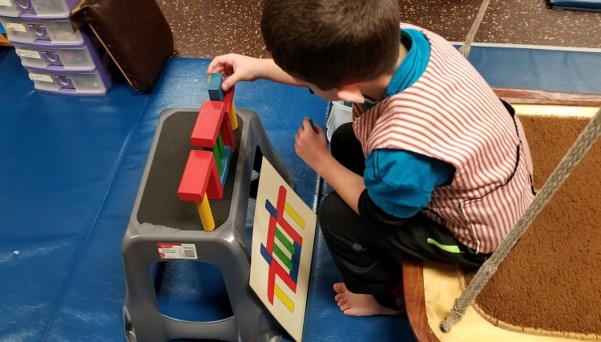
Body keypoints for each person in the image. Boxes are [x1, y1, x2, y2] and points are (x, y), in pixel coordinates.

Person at [207, 0, 535, 317]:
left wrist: (321, 162)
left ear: (348, 91)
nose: (306, 84)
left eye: (308, 83)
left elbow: (379, 216)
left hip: (478, 230)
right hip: (486, 160)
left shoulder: (401, 147)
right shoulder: (404, 38)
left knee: (336, 216)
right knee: (346, 139)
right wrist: (258, 68)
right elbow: (331, 70)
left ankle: (385, 296)